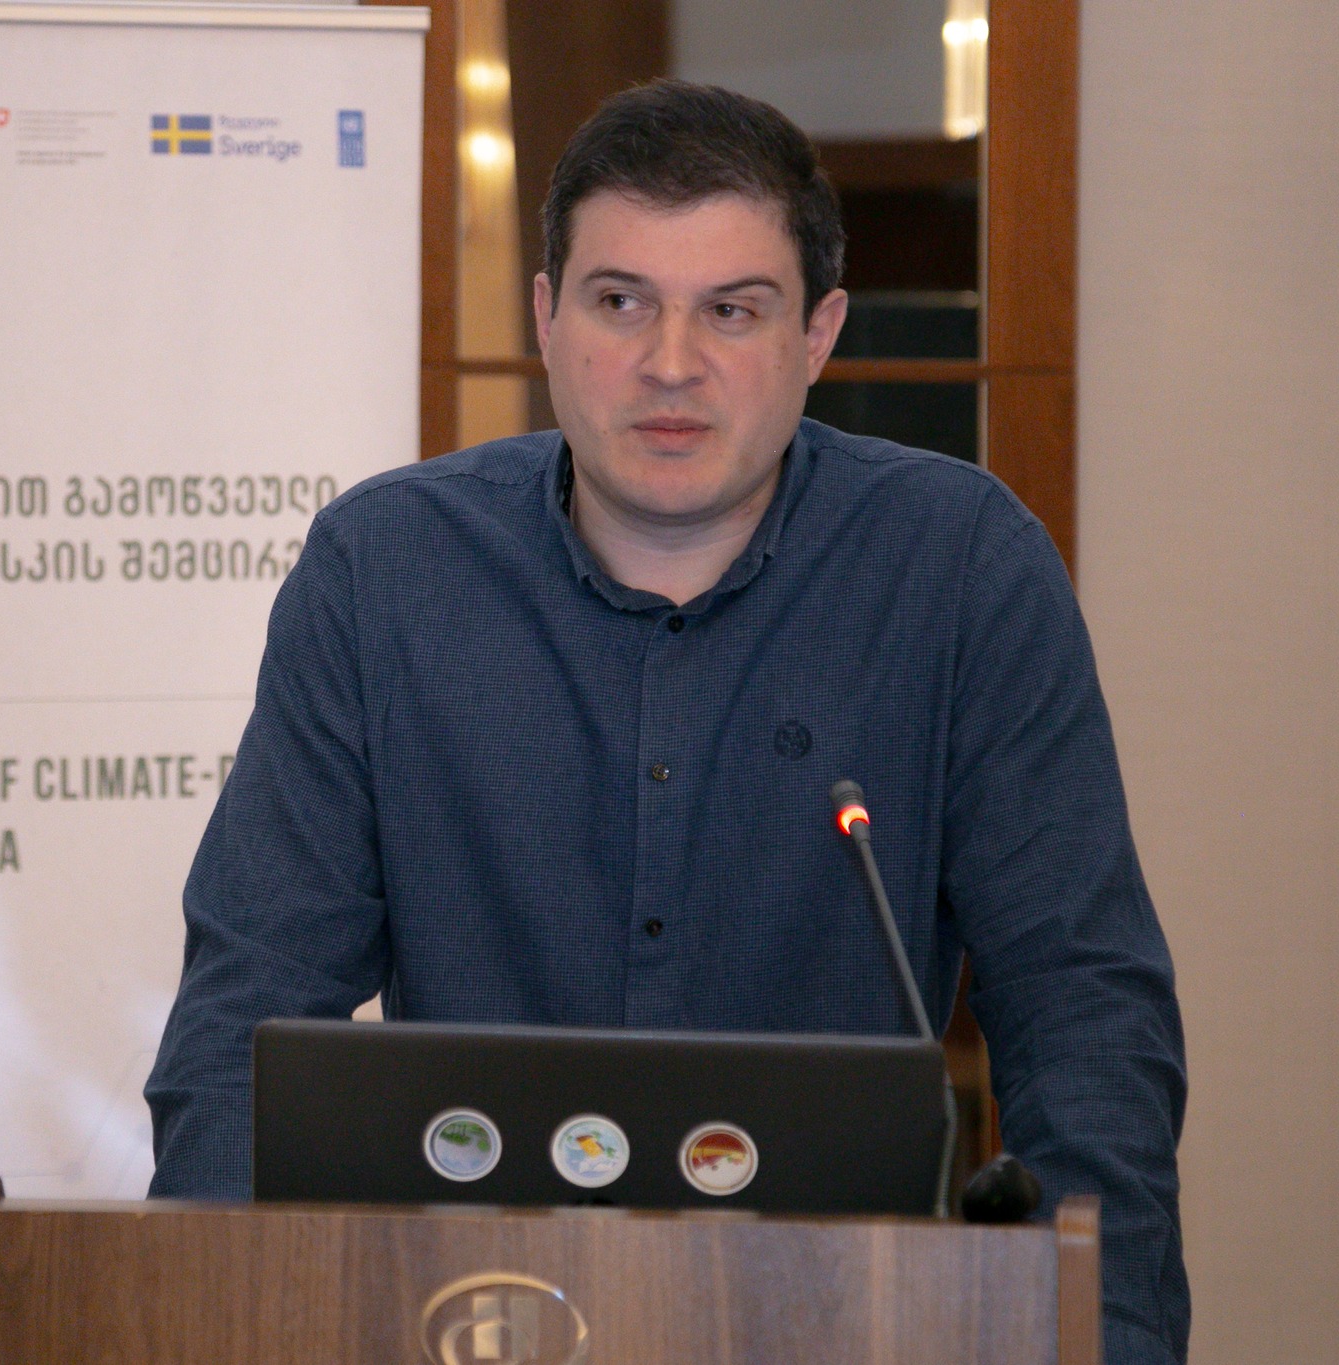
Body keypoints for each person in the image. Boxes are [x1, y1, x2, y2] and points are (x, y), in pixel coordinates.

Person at [144, 80, 1187, 1365]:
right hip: (466, 1315)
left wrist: (1103, 1337)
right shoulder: (382, 572)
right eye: (619, 301)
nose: (670, 363)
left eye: (731, 310)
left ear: (817, 333)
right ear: (546, 316)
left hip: (852, 1320)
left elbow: (1084, 1012)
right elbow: (245, 1015)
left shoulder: (959, 568)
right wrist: (211, 1315)